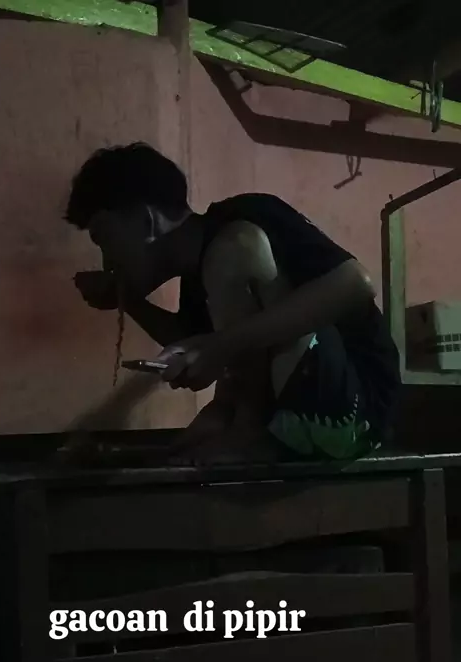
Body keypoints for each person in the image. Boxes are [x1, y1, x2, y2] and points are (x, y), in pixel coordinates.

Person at [65, 142, 400, 460]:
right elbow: (196, 343)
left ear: (146, 221)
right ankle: (240, 425)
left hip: (358, 412)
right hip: (305, 417)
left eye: (104, 238)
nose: (107, 260)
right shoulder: (200, 275)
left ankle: (245, 428)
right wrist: (130, 301)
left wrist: (221, 347)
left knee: (235, 248)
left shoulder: (241, 224)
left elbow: (357, 284)